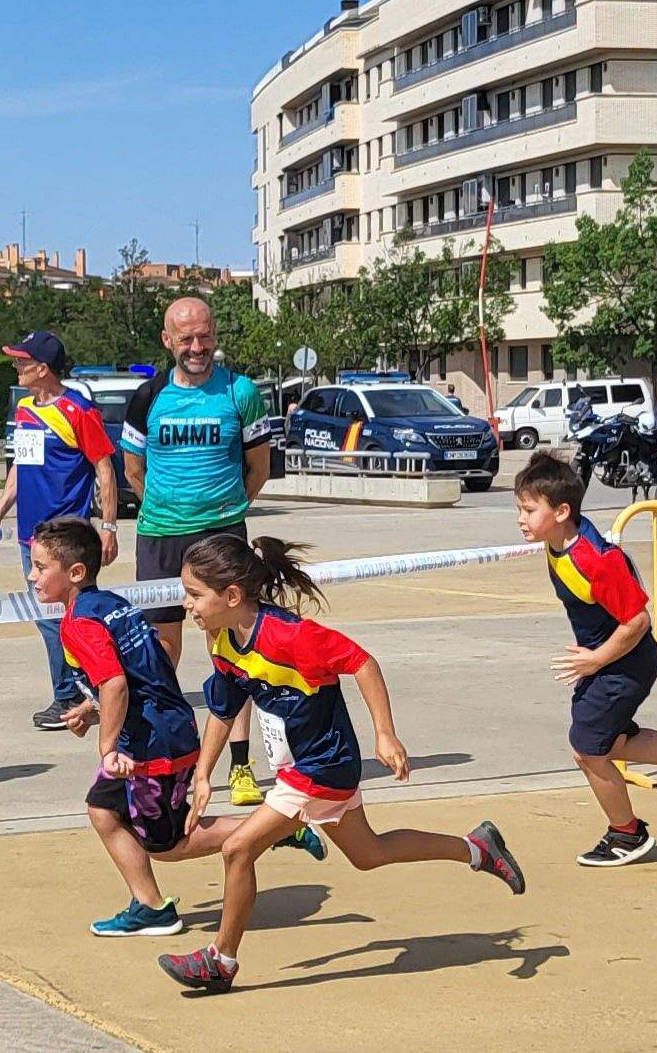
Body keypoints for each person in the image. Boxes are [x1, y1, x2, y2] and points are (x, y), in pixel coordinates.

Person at [150, 534, 523, 993]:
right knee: (370, 854)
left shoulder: (292, 636)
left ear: (230, 596)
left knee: (238, 849)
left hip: (325, 764)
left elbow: (362, 662)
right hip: (303, 765)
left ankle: (220, 961)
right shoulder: (223, 641)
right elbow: (225, 711)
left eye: (194, 595)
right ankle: (476, 848)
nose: (187, 605)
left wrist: (385, 734)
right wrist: (204, 773)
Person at [514, 454, 657, 868]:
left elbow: (638, 620)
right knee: (613, 741)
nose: (521, 519)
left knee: (587, 750)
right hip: (609, 661)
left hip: (624, 661)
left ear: (562, 512)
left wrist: (595, 660)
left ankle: (626, 834)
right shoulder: (558, 543)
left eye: (529, 510)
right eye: (521, 510)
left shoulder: (593, 559)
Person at [120, 297, 277, 801]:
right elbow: (132, 471)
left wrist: (224, 513)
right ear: (167, 340)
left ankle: (239, 767)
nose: (196, 347)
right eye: (185, 338)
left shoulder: (241, 392)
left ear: (214, 335)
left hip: (222, 534)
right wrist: (168, 511)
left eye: (204, 336)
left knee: (231, 649)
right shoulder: (147, 398)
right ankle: (170, 759)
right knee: (160, 651)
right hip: (161, 536)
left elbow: (259, 469)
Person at [30, 516, 206, 937]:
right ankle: (150, 906)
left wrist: (106, 746)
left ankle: (274, 826)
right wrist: (92, 709)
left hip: (152, 740)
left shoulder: (79, 624)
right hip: (159, 727)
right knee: (104, 810)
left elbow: (116, 682)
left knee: (166, 843)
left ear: (75, 573)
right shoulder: (108, 604)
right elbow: (134, 676)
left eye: (40, 567)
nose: (31, 576)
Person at [0, 330, 116, 731]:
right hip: (30, 536)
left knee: (62, 617)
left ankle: (76, 694)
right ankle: (84, 690)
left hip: (67, 535)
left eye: (22, 362)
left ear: (42, 369)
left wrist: (107, 527)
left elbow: (104, 468)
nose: (16, 367)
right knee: (50, 618)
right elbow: (21, 468)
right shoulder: (25, 409)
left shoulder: (78, 410)